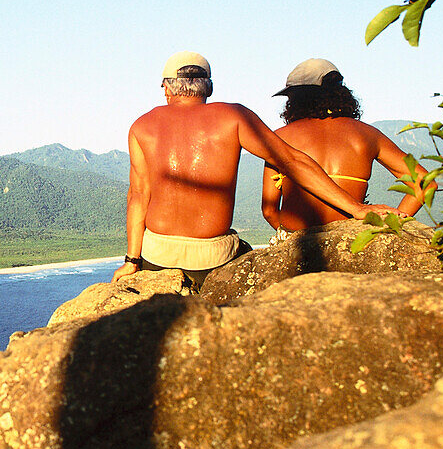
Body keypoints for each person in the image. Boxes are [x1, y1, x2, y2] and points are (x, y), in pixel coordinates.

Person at [112, 51, 401, 285]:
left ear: (166, 87)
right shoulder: (233, 116)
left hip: (155, 257)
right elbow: (293, 162)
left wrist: (132, 261)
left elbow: (138, 196)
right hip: (213, 259)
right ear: (208, 86)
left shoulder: (141, 126)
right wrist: (356, 208)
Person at [261, 58, 431, 239]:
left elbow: (270, 210)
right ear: (340, 93)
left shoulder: (280, 137)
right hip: (353, 240)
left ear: (296, 100)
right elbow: (425, 183)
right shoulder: (368, 134)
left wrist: (289, 238)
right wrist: (390, 227)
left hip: (296, 242)